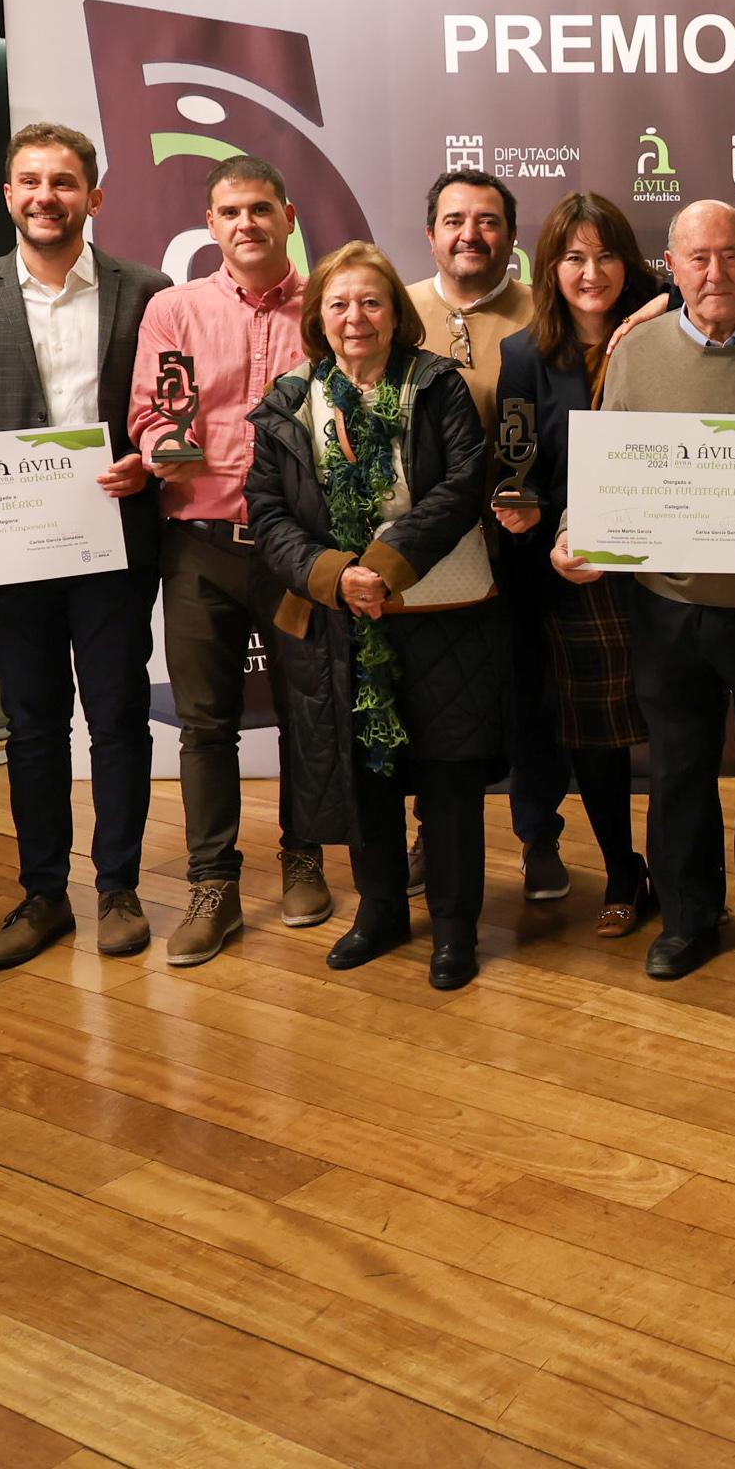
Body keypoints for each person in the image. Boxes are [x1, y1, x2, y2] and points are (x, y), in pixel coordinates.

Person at [559, 200, 735, 979]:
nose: (715, 273)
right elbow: (607, 467)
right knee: (678, 767)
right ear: (670, 268)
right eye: (697, 258)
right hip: (666, 606)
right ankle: (686, 916)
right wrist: (575, 532)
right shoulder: (634, 351)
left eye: (730, 255)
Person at [0, 122, 173, 968]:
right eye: (29, 181)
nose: (45, 196)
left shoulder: (149, 290)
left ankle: (118, 888)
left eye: (64, 182)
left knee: (117, 717)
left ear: (93, 197)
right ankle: (42, 895)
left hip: (113, 546)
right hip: (8, 556)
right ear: (7, 195)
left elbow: (166, 418)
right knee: (30, 725)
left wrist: (151, 466)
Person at [246, 242, 499, 989]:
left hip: (440, 608)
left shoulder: (438, 385)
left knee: (448, 777)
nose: (355, 318)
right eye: (339, 304)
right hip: (336, 614)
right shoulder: (290, 398)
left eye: (371, 302)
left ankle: (454, 928)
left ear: (396, 314)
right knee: (366, 771)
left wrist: (384, 566)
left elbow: (463, 483)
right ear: (317, 318)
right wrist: (336, 574)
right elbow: (264, 509)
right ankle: (381, 910)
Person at [128, 154, 334, 966]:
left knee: (306, 714)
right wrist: (158, 446)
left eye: (258, 208)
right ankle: (212, 882)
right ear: (208, 226)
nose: (244, 223)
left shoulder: (328, 305)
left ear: (287, 217)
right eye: (228, 212)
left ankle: (304, 855)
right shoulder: (172, 310)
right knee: (204, 727)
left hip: (297, 553)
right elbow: (151, 414)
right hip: (199, 548)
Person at [494, 193, 663, 934]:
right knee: (594, 736)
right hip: (578, 572)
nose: (590, 272)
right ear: (549, 268)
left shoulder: (672, 325)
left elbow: (731, 287)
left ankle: (685, 874)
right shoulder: (525, 355)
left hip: (672, 561)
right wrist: (528, 517)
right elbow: (516, 466)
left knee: (681, 728)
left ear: (628, 261)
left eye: (605, 255)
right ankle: (623, 869)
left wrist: (665, 305)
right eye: (572, 257)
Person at [406, 167, 571, 905]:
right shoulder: (395, 309)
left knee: (533, 696)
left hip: (525, 547)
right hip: (426, 553)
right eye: (454, 220)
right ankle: (429, 834)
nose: (469, 234)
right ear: (431, 233)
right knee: (431, 700)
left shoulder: (551, 311)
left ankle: (539, 838)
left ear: (511, 234)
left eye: (487, 221)